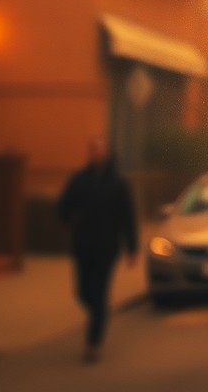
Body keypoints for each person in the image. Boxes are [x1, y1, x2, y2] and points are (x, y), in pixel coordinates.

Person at [57, 136, 138, 363]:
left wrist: (132, 248)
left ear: (107, 153)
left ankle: (94, 344)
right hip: (83, 246)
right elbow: (62, 208)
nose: (96, 154)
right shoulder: (78, 180)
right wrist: (73, 219)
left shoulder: (119, 183)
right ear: (89, 153)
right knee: (82, 292)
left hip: (107, 248)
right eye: (92, 150)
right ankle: (99, 314)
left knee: (100, 293)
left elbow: (127, 217)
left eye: (100, 150)